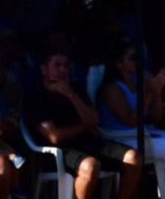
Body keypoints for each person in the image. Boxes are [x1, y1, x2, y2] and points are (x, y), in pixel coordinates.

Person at [24, 42, 142, 199]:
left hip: (89, 143)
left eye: (66, 66)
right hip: (58, 152)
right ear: (44, 69)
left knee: (134, 158)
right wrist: (84, 126)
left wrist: (71, 95)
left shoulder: (76, 89)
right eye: (57, 65)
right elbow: (55, 136)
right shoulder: (36, 98)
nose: (63, 70)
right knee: (90, 166)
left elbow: (94, 119)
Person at [97, 37, 165, 199]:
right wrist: (148, 93)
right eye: (133, 58)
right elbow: (131, 120)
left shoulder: (139, 80)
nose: (138, 61)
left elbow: (156, 117)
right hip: (121, 137)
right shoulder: (112, 89)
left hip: (143, 131)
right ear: (118, 64)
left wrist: (157, 92)